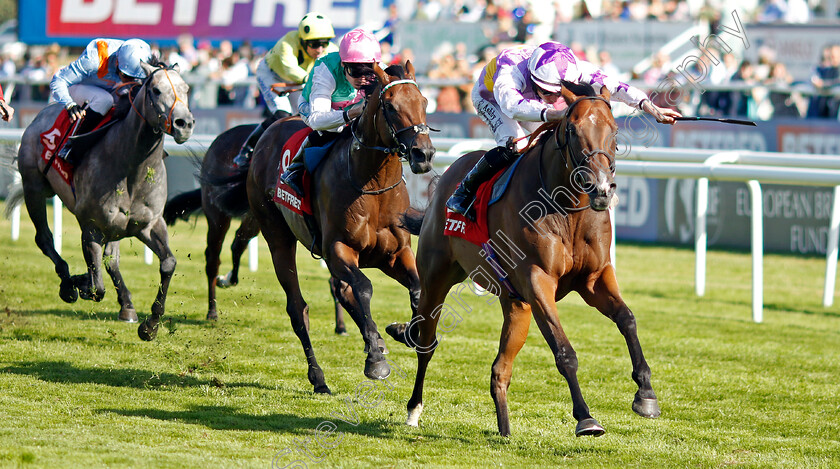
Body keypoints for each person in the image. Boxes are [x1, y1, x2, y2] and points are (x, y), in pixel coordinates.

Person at [446, 41, 681, 220]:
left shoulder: (577, 68)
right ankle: (464, 191)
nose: (553, 99)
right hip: (493, 99)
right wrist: (555, 113)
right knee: (515, 144)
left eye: (558, 94)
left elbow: (618, 87)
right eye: (548, 93)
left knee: (570, 135)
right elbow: (512, 106)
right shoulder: (510, 67)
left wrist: (651, 108)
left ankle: (594, 183)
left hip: (526, 98)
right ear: (535, 79)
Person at [278, 28, 382, 195]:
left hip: (351, 108)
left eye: (368, 72)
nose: (363, 79)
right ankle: (295, 167)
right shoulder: (326, 70)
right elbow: (317, 120)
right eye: (356, 72)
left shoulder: (379, 69)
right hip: (313, 109)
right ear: (343, 64)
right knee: (333, 129)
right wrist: (350, 114)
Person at [233, 12, 338, 167]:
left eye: (325, 43)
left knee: (305, 116)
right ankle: (247, 149)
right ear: (302, 41)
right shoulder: (286, 44)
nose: (321, 49)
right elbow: (290, 70)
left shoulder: (331, 50)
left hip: (301, 79)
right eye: (315, 44)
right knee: (282, 115)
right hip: (273, 76)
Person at [49, 38, 152, 161]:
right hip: (79, 88)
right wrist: (69, 104)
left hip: (108, 89)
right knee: (104, 100)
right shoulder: (94, 60)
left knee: (134, 97)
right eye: (127, 76)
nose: (130, 81)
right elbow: (58, 80)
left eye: (135, 78)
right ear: (118, 63)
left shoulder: (138, 56)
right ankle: (73, 145)